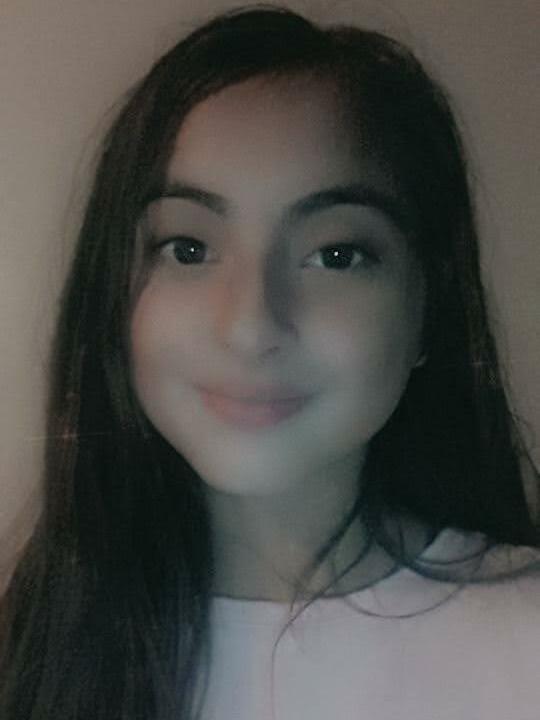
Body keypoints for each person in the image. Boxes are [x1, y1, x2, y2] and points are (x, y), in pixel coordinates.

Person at [1, 5, 539, 719]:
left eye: (336, 255)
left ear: (428, 308)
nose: (251, 326)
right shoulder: (29, 653)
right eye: (189, 249)